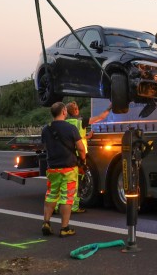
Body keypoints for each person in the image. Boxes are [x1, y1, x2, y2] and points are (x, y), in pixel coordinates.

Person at [41, 101, 86, 238]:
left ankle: (46, 223)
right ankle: (64, 228)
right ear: (64, 112)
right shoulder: (70, 128)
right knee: (67, 198)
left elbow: (45, 147)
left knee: (51, 194)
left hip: (52, 168)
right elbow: (80, 148)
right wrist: (82, 160)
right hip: (68, 168)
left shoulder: (46, 129)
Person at [64, 101, 111, 213]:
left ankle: (61, 206)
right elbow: (101, 117)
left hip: (69, 154)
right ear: (76, 111)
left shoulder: (66, 123)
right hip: (79, 157)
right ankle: (75, 207)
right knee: (78, 182)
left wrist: (86, 136)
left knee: (68, 182)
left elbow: (74, 136)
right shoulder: (82, 121)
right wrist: (110, 107)